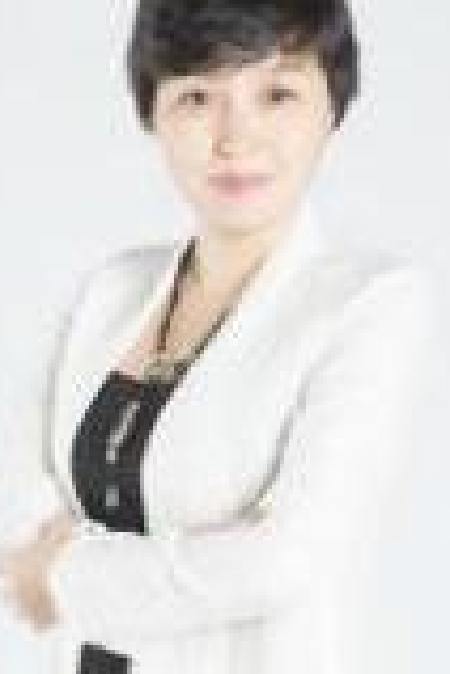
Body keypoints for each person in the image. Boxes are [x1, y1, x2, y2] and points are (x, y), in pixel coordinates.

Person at [0, 1, 439, 672]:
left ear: (332, 106)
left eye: (277, 95)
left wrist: (64, 578)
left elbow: (284, 560)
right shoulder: (112, 290)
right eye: (197, 97)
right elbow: (17, 490)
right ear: (152, 112)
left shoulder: (370, 303)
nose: (236, 138)